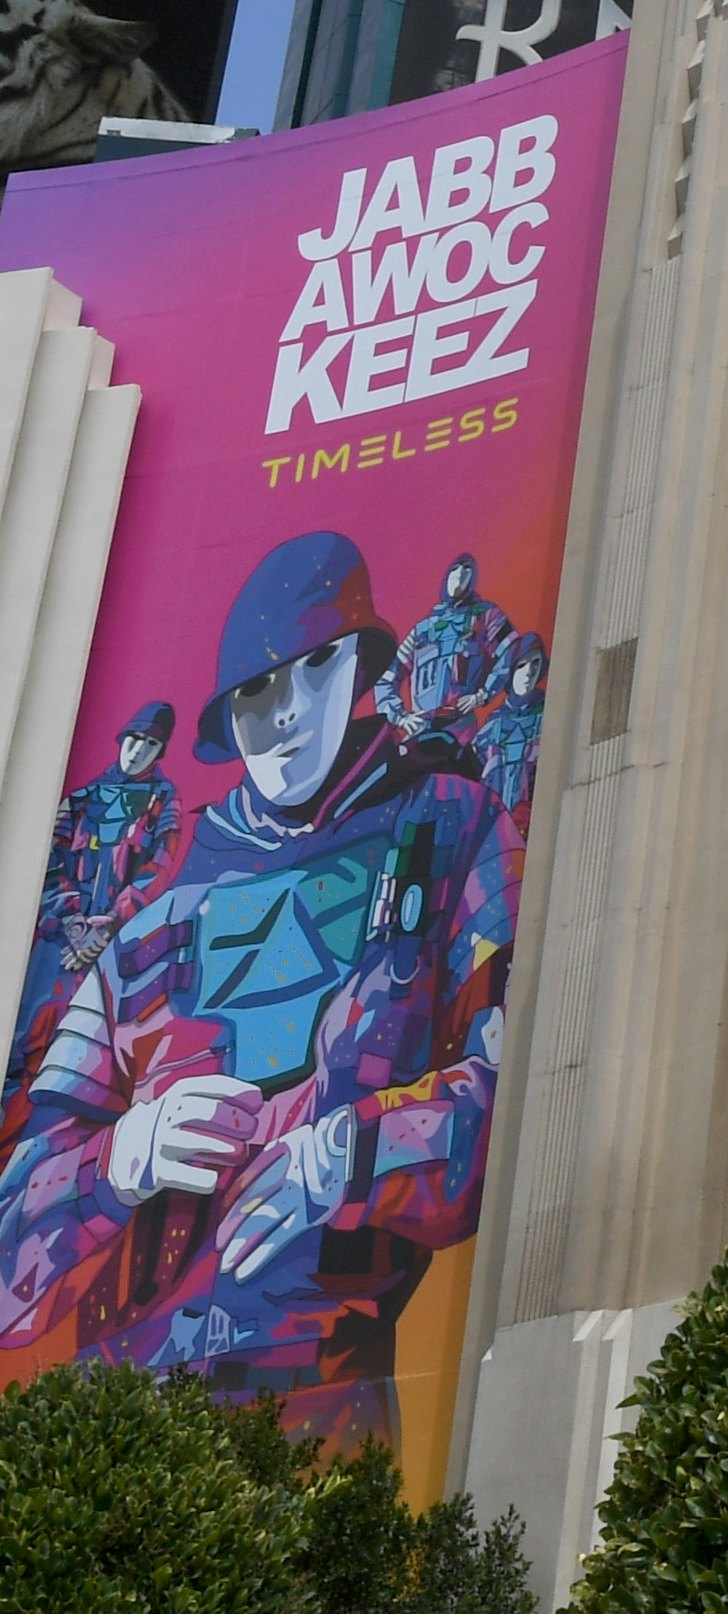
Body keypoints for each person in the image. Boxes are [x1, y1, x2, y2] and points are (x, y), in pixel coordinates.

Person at [0, 533, 517, 1446]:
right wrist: (120, 1161)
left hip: (325, 1405)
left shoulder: (454, 826)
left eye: (311, 670)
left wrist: (347, 1158)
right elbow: (9, 1250)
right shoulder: (150, 917)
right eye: (253, 694)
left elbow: (525, 1101)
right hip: (117, 1420)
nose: (281, 716)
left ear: (359, 665)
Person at [8, 705, 180, 1094]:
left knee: (85, 1055)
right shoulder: (81, 799)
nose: (139, 750)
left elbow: (158, 868)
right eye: (135, 738)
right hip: (59, 939)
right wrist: (70, 922)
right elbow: (49, 861)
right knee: (25, 1033)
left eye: (151, 744)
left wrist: (110, 927)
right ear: (122, 738)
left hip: (117, 944)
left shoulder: (164, 800)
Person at [372, 552, 513, 758]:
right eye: (455, 569)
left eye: (467, 569)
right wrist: (400, 717)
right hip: (421, 732)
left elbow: (512, 652)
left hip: (461, 731)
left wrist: (482, 695)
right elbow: (386, 678)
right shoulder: (422, 630)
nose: (460, 574)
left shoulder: (486, 616)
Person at [473, 639, 547, 823]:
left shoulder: (547, 716)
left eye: (535, 663)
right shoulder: (492, 726)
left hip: (532, 818)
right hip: (493, 820)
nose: (529, 672)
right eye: (522, 665)